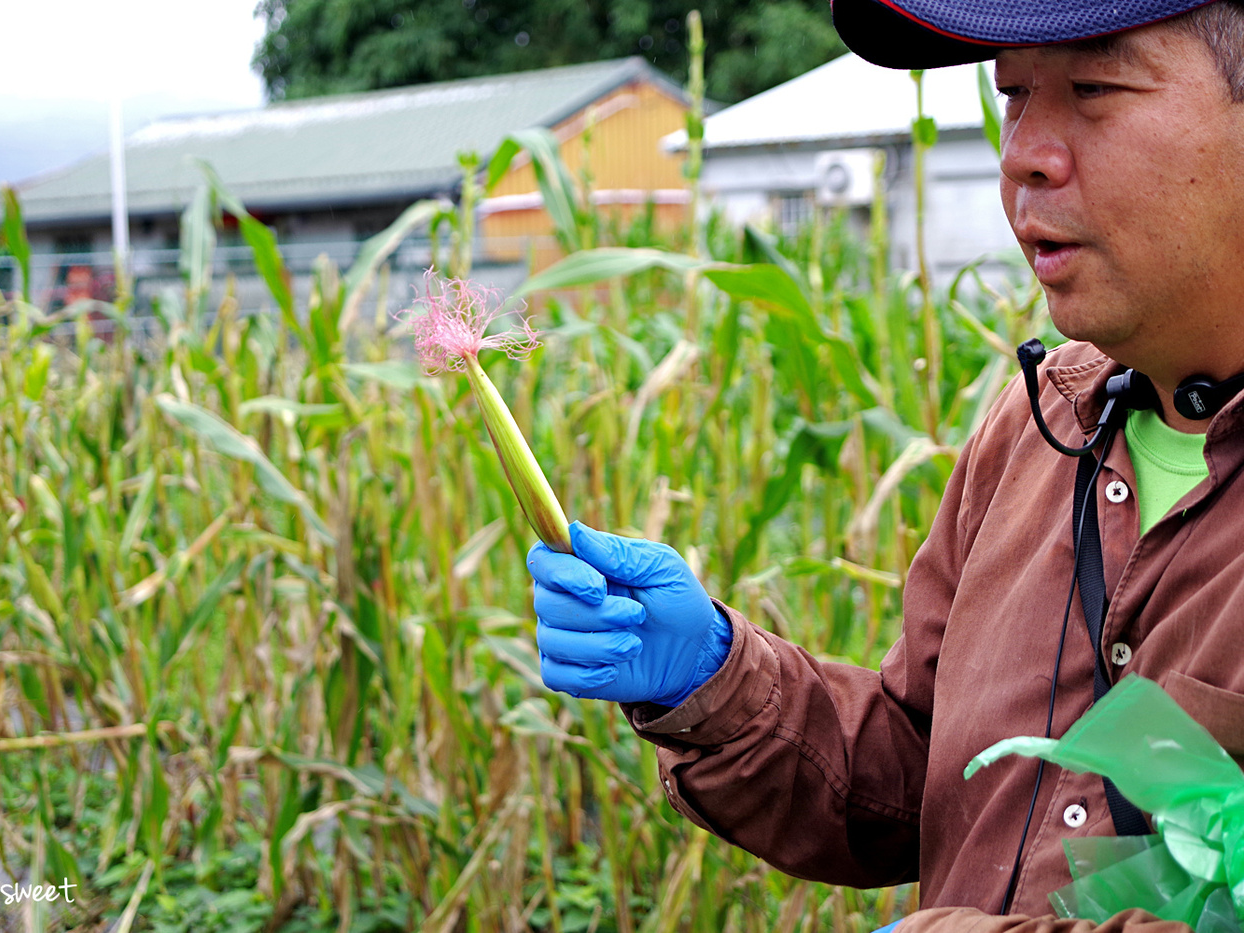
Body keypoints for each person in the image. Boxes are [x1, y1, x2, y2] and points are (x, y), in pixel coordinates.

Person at [526, 0, 1244, 929]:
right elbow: (921, 771)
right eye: (1014, 93)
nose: (1025, 153)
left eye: (1095, 88)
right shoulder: (1037, 433)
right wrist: (711, 677)